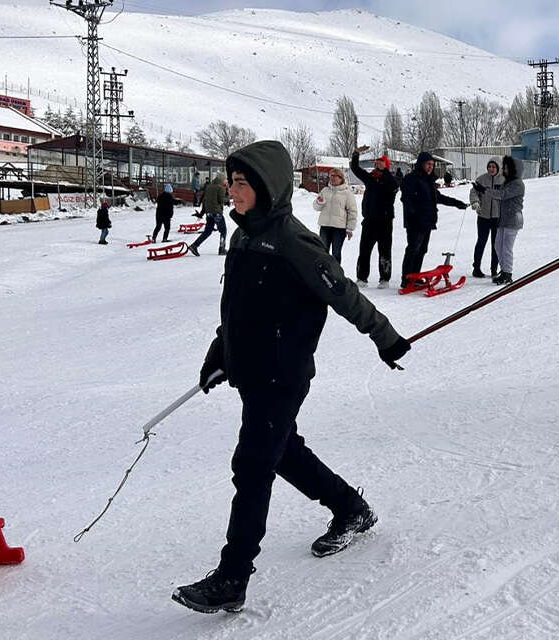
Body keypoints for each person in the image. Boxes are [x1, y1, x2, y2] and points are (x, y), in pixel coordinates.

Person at [171, 140, 410, 615]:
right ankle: (350, 508)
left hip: (283, 371)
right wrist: (220, 352)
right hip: (252, 369)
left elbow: (343, 293)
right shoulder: (242, 236)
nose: (232, 190)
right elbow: (236, 310)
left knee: (253, 464)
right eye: (231, 181)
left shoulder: (293, 240)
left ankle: (232, 576)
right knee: (283, 452)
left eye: (242, 183)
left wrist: (386, 337)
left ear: (266, 187)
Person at [400, 151, 468, 288]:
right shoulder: (412, 178)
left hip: (427, 221)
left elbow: (439, 198)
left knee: (422, 250)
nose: (430, 167)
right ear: (421, 164)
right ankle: (406, 278)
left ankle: (415, 276)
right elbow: (406, 199)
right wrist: (413, 214)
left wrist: (458, 203)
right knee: (413, 249)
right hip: (415, 222)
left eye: (432, 164)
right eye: (428, 164)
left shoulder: (428, 181)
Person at [349, 150, 398, 289]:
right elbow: (356, 169)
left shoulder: (391, 180)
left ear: (386, 165)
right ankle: (362, 278)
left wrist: (385, 172)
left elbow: (394, 187)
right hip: (369, 220)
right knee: (364, 250)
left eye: (381, 161)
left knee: (384, 250)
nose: (377, 163)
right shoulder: (370, 177)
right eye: (377, 162)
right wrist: (355, 155)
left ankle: (384, 278)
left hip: (385, 221)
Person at [488, 156, 524, 285]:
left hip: (513, 219)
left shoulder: (518, 184)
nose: (504, 169)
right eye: (504, 167)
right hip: (504, 219)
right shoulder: (507, 182)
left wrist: (486, 191)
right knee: (498, 246)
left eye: (507, 167)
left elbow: (502, 195)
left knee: (506, 248)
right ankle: (504, 270)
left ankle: (507, 274)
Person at [311, 167, 357, 262]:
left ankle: (336, 275)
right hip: (325, 226)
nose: (332, 178)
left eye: (335, 176)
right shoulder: (325, 190)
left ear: (341, 178)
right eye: (331, 176)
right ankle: (323, 273)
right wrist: (320, 202)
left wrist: (349, 228)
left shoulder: (347, 193)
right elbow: (315, 207)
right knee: (323, 252)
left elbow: (352, 212)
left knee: (336, 253)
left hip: (339, 229)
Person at [468, 157, 503, 279]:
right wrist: (475, 202)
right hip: (483, 216)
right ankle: (476, 268)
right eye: (489, 167)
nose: (491, 169)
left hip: (497, 217)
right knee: (481, 242)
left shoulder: (504, 180)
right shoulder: (481, 179)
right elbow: (474, 192)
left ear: (498, 168)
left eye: (494, 167)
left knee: (496, 244)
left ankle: (494, 270)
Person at [189, 173, 229, 256]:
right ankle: (222, 249)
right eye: (225, 180)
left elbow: (204, 200)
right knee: (223, 231)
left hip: (209, 213)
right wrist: (228, 196)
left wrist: (202, 213)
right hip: (217, 212)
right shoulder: (220, 188)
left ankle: (194, 245)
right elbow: (222, 201)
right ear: (222, 180)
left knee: (207, 231)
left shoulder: (209, 187)